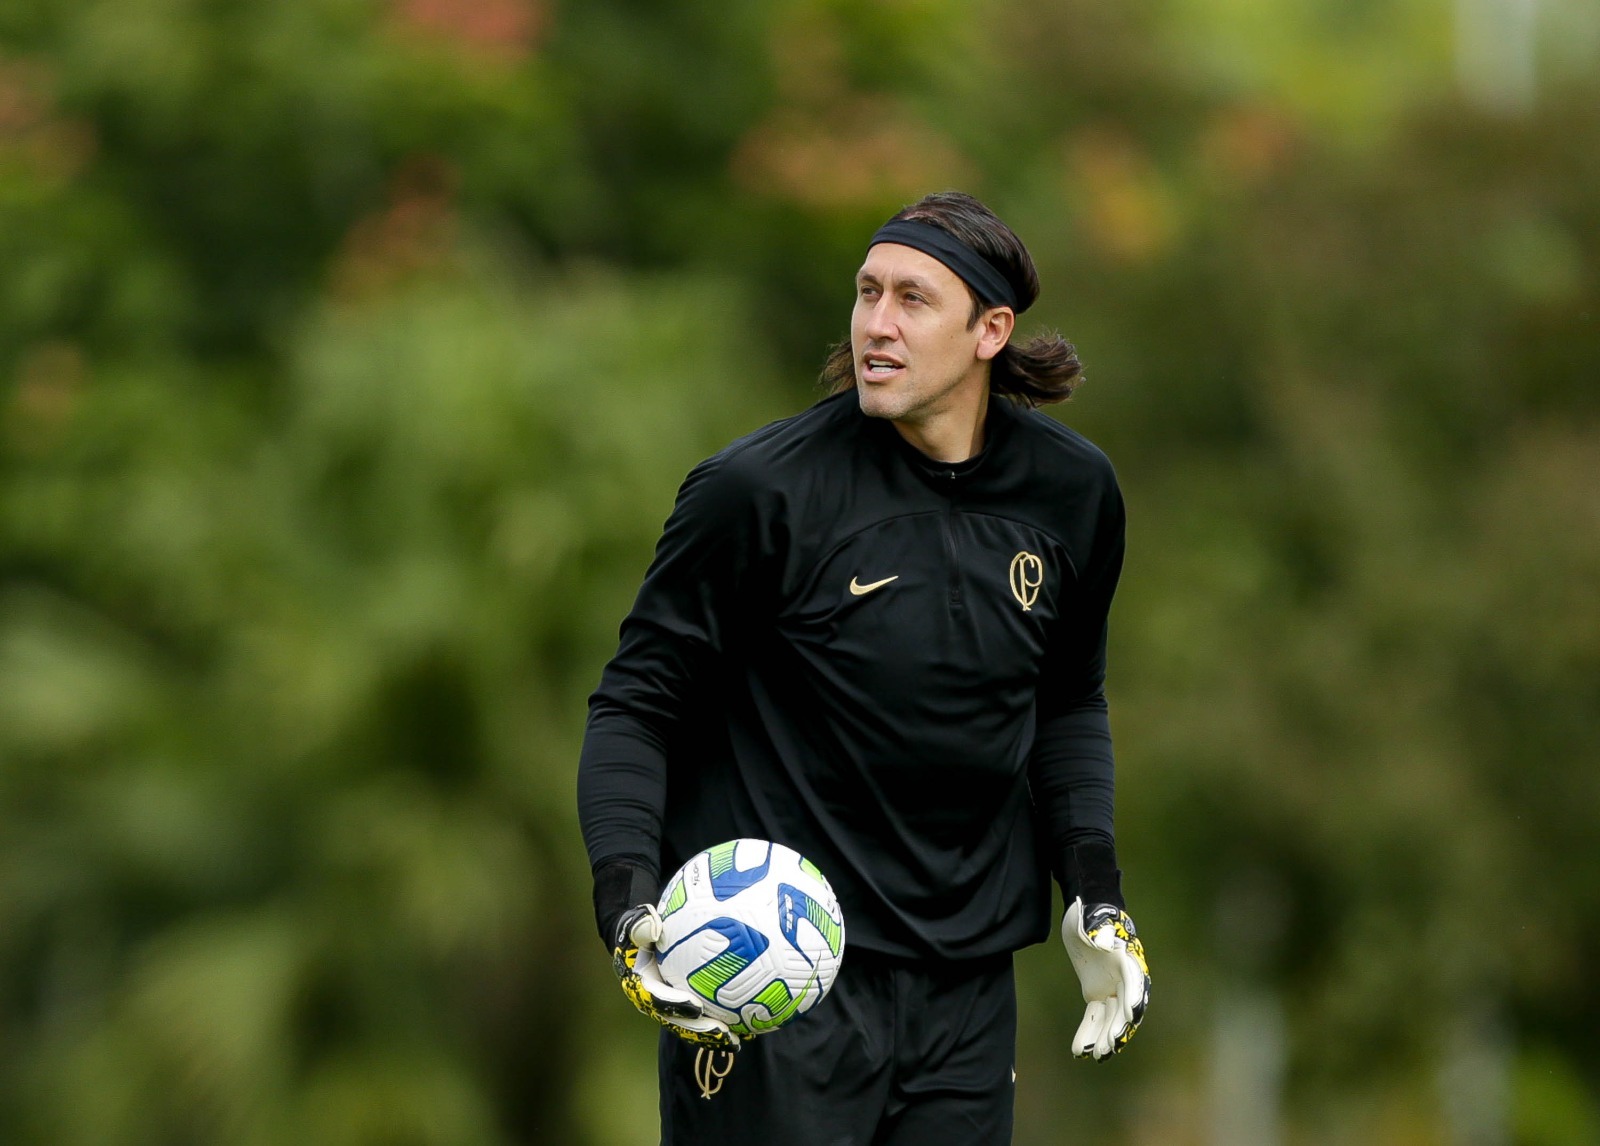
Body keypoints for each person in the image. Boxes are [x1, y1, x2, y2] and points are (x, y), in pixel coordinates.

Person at [576, 190, 1150, 1145]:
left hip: (966, 993)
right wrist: (628, 898)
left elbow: (1068, 705)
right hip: (772, 985)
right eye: (867, 291)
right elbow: (637, 704)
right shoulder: (757, 492)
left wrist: (1095, 891)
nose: (877, 324)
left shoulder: (1074, 492)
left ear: (990, 330)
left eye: (913, 300)